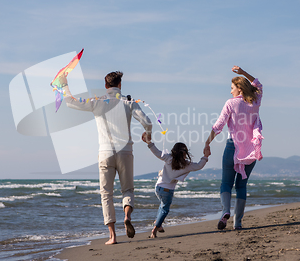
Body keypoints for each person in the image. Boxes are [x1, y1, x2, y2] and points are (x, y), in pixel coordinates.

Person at [59, 71, 152, 244]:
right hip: (125, 152)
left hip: (105, 153)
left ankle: (112, 236)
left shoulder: (97, 101)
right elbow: (148, 122)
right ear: (120, 85)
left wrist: (64, 85)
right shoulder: (129, 101)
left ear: (106, 85)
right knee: (128, 190)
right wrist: (148, 135)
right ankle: (127, 217)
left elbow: (70, 102)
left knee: (106, 194)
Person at [204, 66, 263, 230]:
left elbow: (218, 126)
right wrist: (243, 72)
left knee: (226, 183)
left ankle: (225, 211)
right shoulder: (256, 101)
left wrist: (207, 143)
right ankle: (238, 223)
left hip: (232, 147)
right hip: (251, 149)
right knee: (242, 186)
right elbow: (258, 84)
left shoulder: (231, 103)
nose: (230, 92)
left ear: (239, 88)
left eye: (232, 88)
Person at [142, 132, 211, 238]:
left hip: (158, 188)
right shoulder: (187, 165)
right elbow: (199, 166)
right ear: (185, 153)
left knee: (162, 206)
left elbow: (156, 152)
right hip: (167, 191)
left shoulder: (168, 158)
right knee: (165, 209)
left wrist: (149, 142)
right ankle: (155, 229)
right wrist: (205, 156)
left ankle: (158, 224)